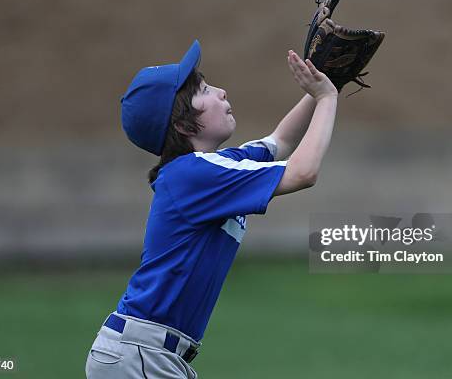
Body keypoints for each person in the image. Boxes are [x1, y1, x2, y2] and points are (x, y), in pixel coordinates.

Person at [85, 40, 338, 379]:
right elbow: (303, 172)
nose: (221, 92)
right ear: (182, 125)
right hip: (140, 356)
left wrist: (327, 79)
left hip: (149, 355)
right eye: (203, 90)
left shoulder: (210, 167)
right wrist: (327, 98)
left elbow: (281, 142)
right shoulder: (193, 176)